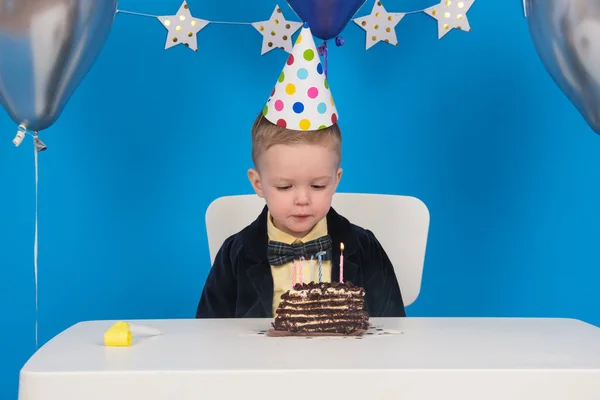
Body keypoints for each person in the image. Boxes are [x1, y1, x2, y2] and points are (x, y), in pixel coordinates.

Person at [196, 23, 405, 319]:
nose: (302, 199)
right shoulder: (236, 254)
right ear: (258, 184)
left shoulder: (364, 249)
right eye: (284, 187)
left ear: (336, 181)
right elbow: (207, 332)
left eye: (318, 185)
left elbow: (394, 328)